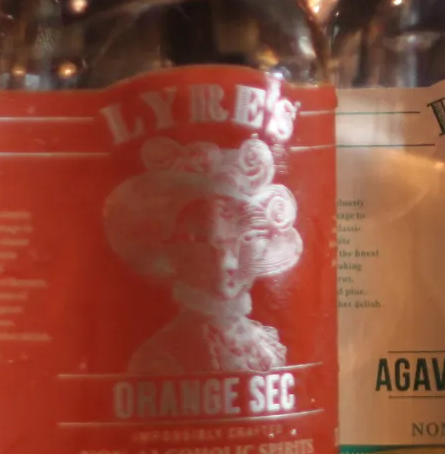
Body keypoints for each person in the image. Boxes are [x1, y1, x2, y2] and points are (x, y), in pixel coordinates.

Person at [104, 137, 303, 375]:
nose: (226, 261)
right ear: (172, 249)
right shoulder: (161, 355)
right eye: (201, 240)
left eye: (243, 239)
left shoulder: (266, 345)